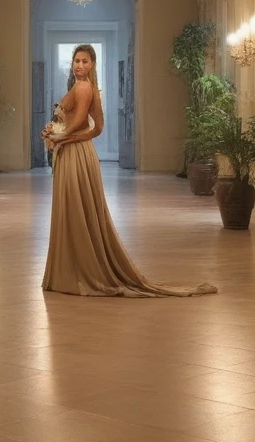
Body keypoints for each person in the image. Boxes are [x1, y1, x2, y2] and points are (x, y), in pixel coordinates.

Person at [41, 44, 218, 297]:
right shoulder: (84, 88)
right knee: (75, 208)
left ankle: (77, 273)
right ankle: (74, 270)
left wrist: (60, 137)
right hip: (78, 151)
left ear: (92, 65)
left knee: (75, 209)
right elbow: (98, 128)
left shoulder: (83, 87)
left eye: (85, 61)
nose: (79, 66)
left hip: (76, 155)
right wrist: (60, 135)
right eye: (76, 61)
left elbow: (80, 121)